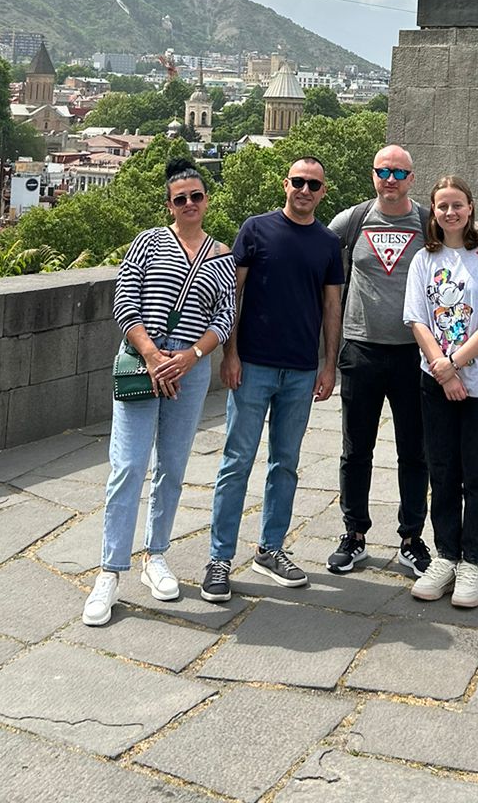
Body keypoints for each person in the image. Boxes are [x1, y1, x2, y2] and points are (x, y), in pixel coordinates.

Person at [326, 145, 478, 579]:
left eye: (400, 172)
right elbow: (313, 248)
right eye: (383, 171)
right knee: (356, 450)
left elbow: (464, 236)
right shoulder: (351, 220)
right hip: (362, 347)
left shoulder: (427, 220)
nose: (391, 179)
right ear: (373, 175)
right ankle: (354, 534)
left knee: (417, 452)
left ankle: (411, 536)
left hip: (416, 355)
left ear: (411, 178)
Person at [83, 159, 235, 626]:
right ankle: (110, 571)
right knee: (127, 468)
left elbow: (224, 316)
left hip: (187, 374)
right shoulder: (149, 243)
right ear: (169, 205)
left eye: (197, 196)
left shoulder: (221, 254)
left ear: (207, 200)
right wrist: (152, 355)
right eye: (180, 198)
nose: (190, 204)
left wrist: (189, 357)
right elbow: (125, 300)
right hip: (143, 369)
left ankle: (156, 556)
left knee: (171, 467)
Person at [201, 155, 343, 602]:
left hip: (301, 371)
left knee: (285, 464)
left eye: (313, 184)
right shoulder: (256, 229)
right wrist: (231, 353)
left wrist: (329, 363)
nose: (304, 190)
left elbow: (332, 308)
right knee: (236, 461)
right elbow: (232, 295)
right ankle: (220, 557)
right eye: (298, 181)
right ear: (286, 184)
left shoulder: (328, 242)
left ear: (323, 192)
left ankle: (271, 548)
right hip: (254, 365)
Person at [404, 176, 478, 609]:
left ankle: (473, 562)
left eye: (458, 205)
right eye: (442, 206)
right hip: (436, 384)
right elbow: (417, 320)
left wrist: (456, 365)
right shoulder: (423, 260)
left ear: (470, 209)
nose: (450, 213)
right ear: (433, 212)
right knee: (443, 472)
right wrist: (442, 371)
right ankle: (446, 555)